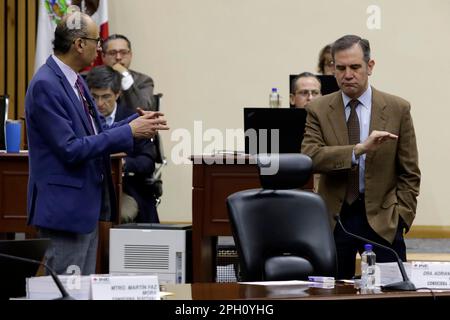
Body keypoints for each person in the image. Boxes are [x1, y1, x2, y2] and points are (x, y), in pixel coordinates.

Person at [24, 10, 168, 275]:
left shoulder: (76, 80)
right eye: (96, 42)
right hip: (65, 210)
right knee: (67, 291)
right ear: (79, 44)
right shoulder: (46, 84)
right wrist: (129, 132)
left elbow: (98, 130)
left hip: (85, 207)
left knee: (82, 288)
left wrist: (133, 126)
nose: (100, 49)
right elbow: (71, 148)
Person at [301, 35, 420, 279]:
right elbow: (310, 157)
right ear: (333, 69)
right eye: (340, 68)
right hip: (334, 219)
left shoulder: (398, 109)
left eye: (355, 67)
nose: (347, 74)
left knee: (391, 293)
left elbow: (409, 171)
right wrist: (357, 150)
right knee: (331, 294)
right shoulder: (318, 109)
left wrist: (402, 217)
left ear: (370, 66)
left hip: (384, 218)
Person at [86, 65, 159, 223]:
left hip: (125, 187)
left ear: (117, 94)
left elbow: (148, 162)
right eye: (94, 97)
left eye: (106, 97)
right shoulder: (83, 118)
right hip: (88, 186)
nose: (99, 103)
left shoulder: (133, 118)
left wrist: (125, 163)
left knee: (120, 212)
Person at [101, 34, 156, 111]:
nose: (118, 57)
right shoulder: (90, 78)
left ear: (130, 55)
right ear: (103, 56)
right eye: (113, 53)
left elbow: (142, 110)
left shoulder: (143, 81)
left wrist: (125, 76)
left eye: (123, 52)